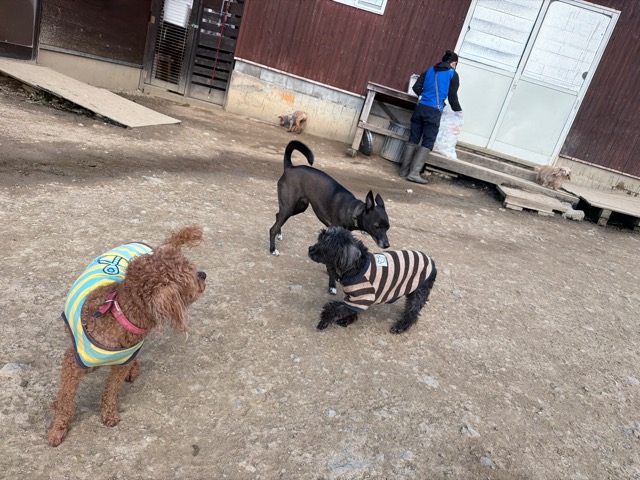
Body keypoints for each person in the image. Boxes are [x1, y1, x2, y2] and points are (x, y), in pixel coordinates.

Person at [400, 50, 462, 184]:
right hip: (433, 112)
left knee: (413, 139)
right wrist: (459, 112)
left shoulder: (430, 70)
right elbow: (452, 98)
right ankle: (414, 173)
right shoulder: (452, 74)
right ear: (454, 63)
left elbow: (416, 87)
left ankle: (403, 171)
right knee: (428, 142)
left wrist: (425, 96)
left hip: (420, 108)